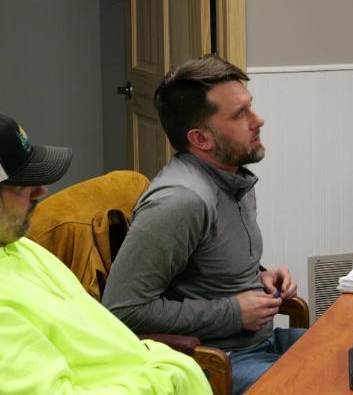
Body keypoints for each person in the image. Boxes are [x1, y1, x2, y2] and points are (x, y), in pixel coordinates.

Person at [102, 54, 305, 394]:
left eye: (250, 106)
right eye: (240, 114)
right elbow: (121, 310)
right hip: (219, 361)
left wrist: (260, 277)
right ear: (201, 139)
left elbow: (205, 266)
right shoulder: (180, 201)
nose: (258, 120)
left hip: (261, 344)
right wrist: (233, 312)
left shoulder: (232, 175)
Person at [0, 112, 211, 394]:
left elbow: (101, 338)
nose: (42, 191)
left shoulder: (17, 246)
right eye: (21, 185)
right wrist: (165, 375)